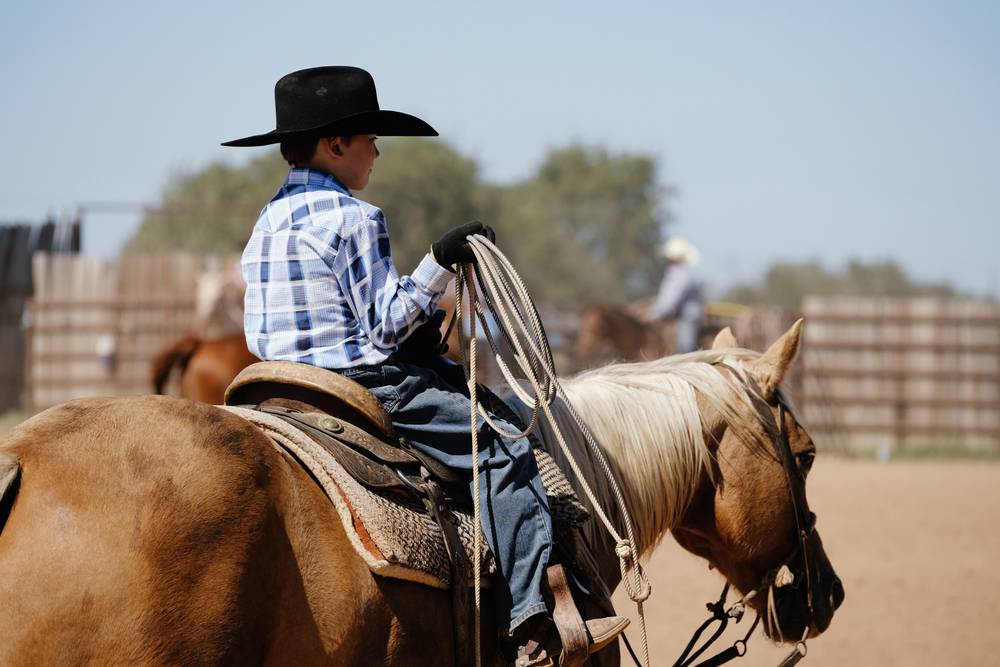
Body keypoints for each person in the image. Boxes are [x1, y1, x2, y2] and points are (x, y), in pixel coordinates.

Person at [222, 66, 625, 662]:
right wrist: (438, 261)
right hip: (360, 383)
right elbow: (386, 324)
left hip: (273, 385)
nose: (377, 151)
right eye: (369, 140)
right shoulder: (355, 217)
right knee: (500, 446)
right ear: (336, 145)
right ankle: (534, 617)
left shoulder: (265, 222)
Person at [648, 237, 705, 353]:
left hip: (687, 317)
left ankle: (688, 363)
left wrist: (652, 314)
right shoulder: (676, 273)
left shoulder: (680, 275)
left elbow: (670, 302)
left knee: (685, 349)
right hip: (677, 315)